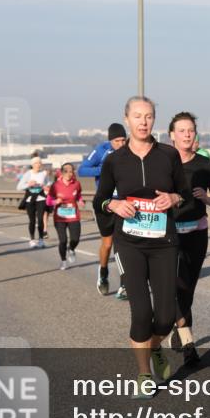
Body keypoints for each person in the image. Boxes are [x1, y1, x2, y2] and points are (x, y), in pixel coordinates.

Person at [94, 96, 190, 398]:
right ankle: (144, 373)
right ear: (127, 119)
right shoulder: (114, 160)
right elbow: (100, 200)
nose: (143, 121)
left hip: (164, 243)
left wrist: (174, 198)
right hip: (130, 243)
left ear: (154, 120)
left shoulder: (169, 155)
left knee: (164, 316)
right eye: (137, 116)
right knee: (140, 311)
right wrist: (114, 204)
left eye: (148, 116)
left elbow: (184, 192)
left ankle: (156, 345)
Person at [168, 112, 210, 367]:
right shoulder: (163, 163)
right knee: (178, 287)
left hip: (197, 234)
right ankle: (189, 344)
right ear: (172, 135)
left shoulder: (205, 165)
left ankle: (177, 328)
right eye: (181, 130)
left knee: (188, 290)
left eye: (190, 130)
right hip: (169, 234)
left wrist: (206, 198)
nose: (187, 134)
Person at [79, 124, 127, 296]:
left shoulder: (130, 149)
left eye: (123, 140)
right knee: (107, 245)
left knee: (123, 245)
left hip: (124, 204)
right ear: (110, 140)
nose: (121, 144)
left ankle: (125, 284)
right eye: (117, 141)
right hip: (105, 203)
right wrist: (104, 168)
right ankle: (103, 272)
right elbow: (82, 170)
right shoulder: (101, 150)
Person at [48, 163, 84, 270]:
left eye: (71, 171)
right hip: (60, 218)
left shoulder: (76, 184)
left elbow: (78, 195)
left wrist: (80, 200)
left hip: (73, 215)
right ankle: (63, 261)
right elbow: (48, 201)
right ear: (61, 172)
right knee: (63, 240)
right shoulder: (55, 186)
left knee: (75, 239)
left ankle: (71, 249)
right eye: (66, 171)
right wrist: (55, 201)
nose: (69, 173)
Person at [17, 156, 51, 248]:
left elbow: (49, 184)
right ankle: (32, 240)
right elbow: (19, 187)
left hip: (41, 198)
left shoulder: (44, 174)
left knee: (40, 220)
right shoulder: (28, 174)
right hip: (30, 199)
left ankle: (41, 240)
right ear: (32, 165)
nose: (38, 165)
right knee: (32, 220)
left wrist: (45, 187)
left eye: (40, 163)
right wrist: (29, 184)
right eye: (36, 163)